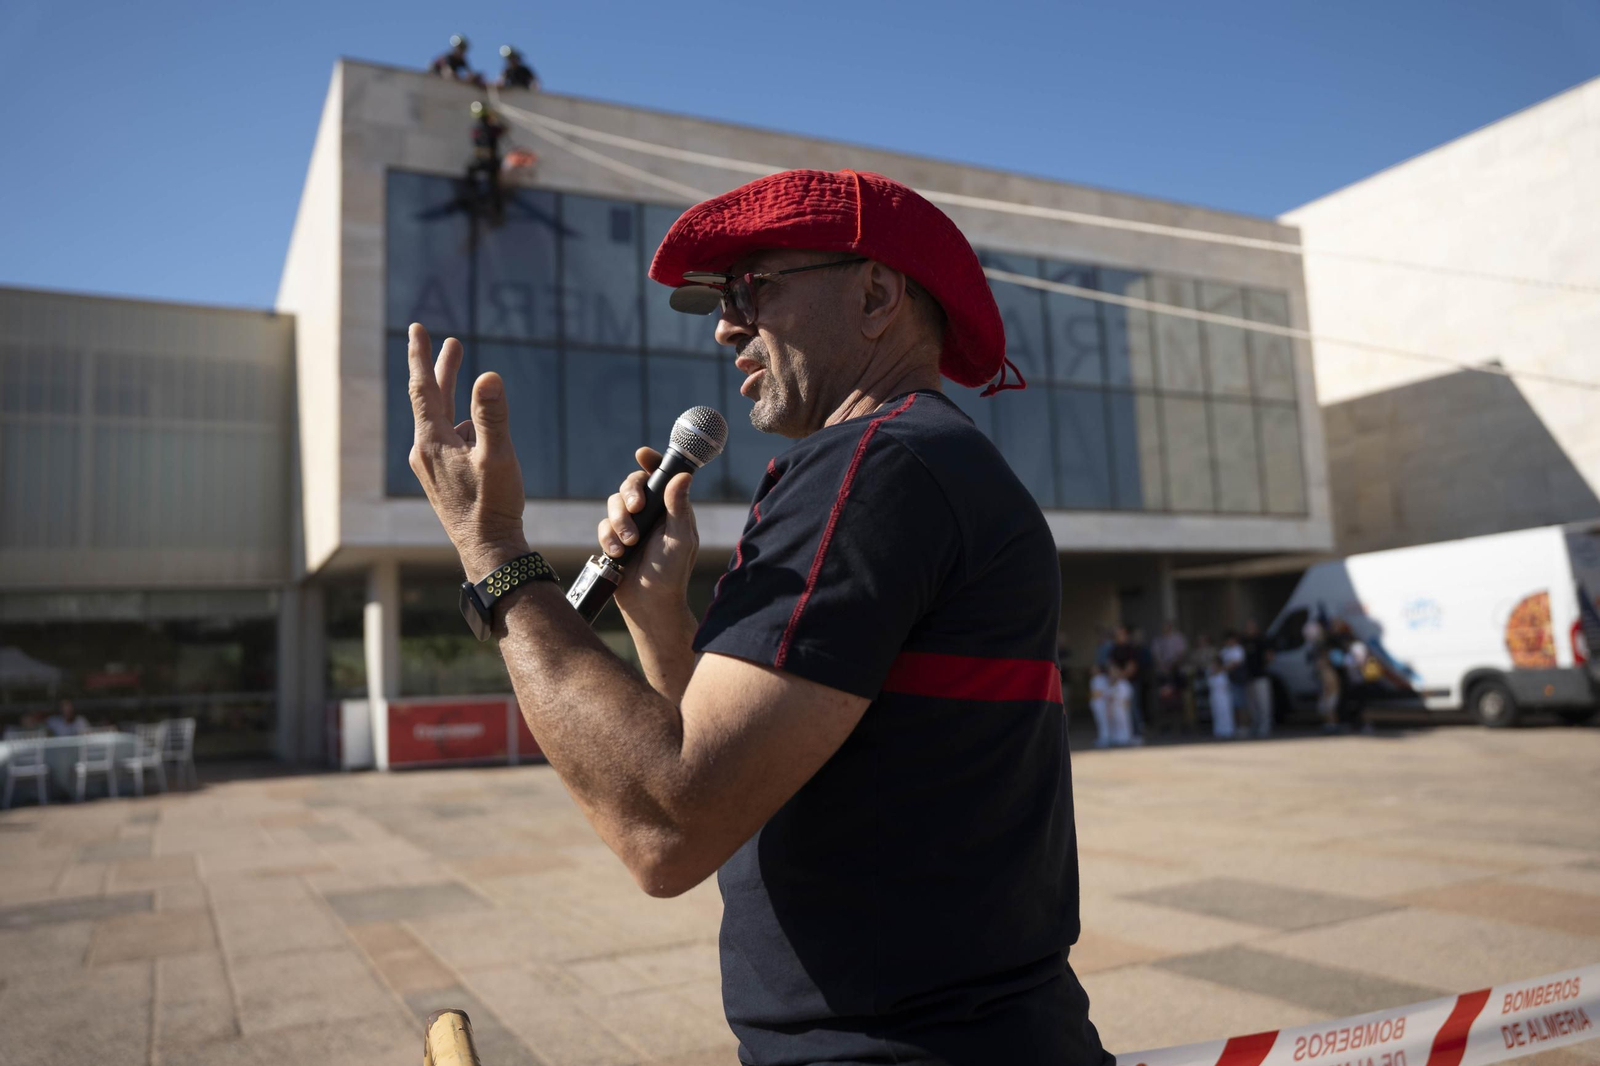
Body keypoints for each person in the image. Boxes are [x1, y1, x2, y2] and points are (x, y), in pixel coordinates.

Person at [403, 168, 1110, 1064]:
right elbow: (744, 774)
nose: (727, 325)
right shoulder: (934, 464)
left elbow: (669, 827)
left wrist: (492, 548)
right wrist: (659, 616)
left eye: (752, 289)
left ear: (876, 295)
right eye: (720, 301)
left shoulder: (870, 468)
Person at [1241, 619, 1274, 738]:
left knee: (1263, 703)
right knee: (1252, 704)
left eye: (1251, 627)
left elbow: (1270, 656)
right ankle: (1255, 724)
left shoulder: (1262, 640)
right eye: (1247, 627)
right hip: (1248, 677)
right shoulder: (1244, 641)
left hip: (1261, 676)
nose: (1249, 629)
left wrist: (1264, 666)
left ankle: (1265, 725)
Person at [1220, 631, 1247, 734]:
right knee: (1231, 705)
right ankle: (1233, 726)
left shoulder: (1238, 649)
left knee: (1240, 704)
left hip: (1237, 680)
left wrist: (1224, 668)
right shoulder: (1224, 651)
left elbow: (1235, 663)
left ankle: (1243, 726)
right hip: (1226, 681)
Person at [1205, 657, 1235, 738]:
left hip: (1223, 697)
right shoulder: (1210, 674)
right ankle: (1219, 731)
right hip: (1214, 696)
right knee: (1216, 713)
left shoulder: (1223, 674)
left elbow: (1225, 685)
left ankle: (1228, 731)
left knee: (1225, 713)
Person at [1088, 662, 1111, 749]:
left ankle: (1105, 739)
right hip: (1101, 703)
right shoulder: (1103, 678)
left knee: (1102, 721)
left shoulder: (1097, 679)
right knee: (1102, 722)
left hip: (1099, 703)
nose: (1092, 670)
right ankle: (1104, 738)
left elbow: (1097, 693)